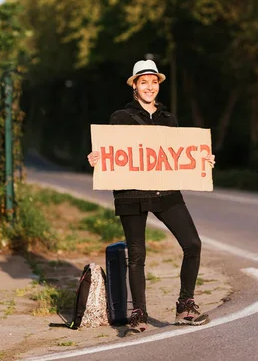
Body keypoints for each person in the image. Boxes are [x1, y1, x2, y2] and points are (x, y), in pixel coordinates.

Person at [87, 59, 215, 332]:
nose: (149, 87)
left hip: (165, 192)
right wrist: (96, 158)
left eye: (154, 82)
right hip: (131, 194)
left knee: (192, 243)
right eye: (143, 82)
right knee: (137, 254)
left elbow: (179, 155)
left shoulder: (169, 119)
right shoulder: (120, 118)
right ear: (134, 86)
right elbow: (110, 154)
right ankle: (139, 313)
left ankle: (185, 305)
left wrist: (202, 159)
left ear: (158, 85)